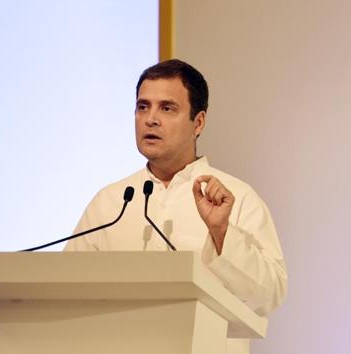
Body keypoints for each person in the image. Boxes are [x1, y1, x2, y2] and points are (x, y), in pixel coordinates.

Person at [64, 59, 287, 354]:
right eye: (143, 107)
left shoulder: (238, 198)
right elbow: (66, 291)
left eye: (167, 108)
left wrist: (221, 234)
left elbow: (269, 294)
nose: (150, 119)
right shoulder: (110, 202)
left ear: (198, 122)